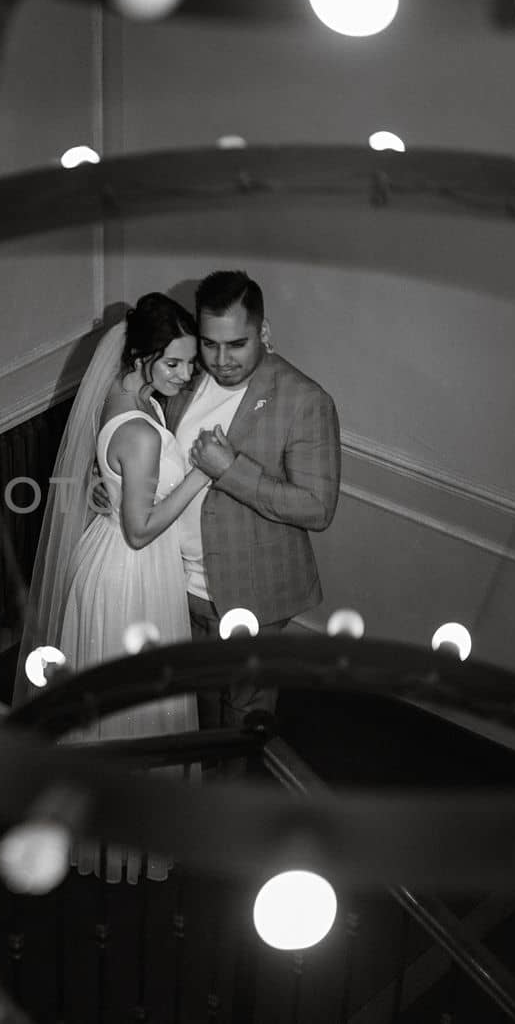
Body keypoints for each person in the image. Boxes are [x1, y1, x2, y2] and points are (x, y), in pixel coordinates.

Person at [18, 292, 207, 883]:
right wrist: (203, 472)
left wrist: (112, 489)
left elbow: (115, 486)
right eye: (174, 363)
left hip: (101, 559)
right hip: (133, 570)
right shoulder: (145, 428)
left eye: (188, 363)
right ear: (142, 355)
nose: (184, 375)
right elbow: (142, 524)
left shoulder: (119, 396)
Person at [168, 270, 342, 728]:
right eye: (209, 344)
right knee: (193, 707)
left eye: (237, 345)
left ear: (263, 333)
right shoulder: (184, 377)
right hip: (174, 585)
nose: (221, 360)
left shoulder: (305, 400)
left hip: (254, 594)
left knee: (243, 716)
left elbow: (317, 507)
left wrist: (231, 471)